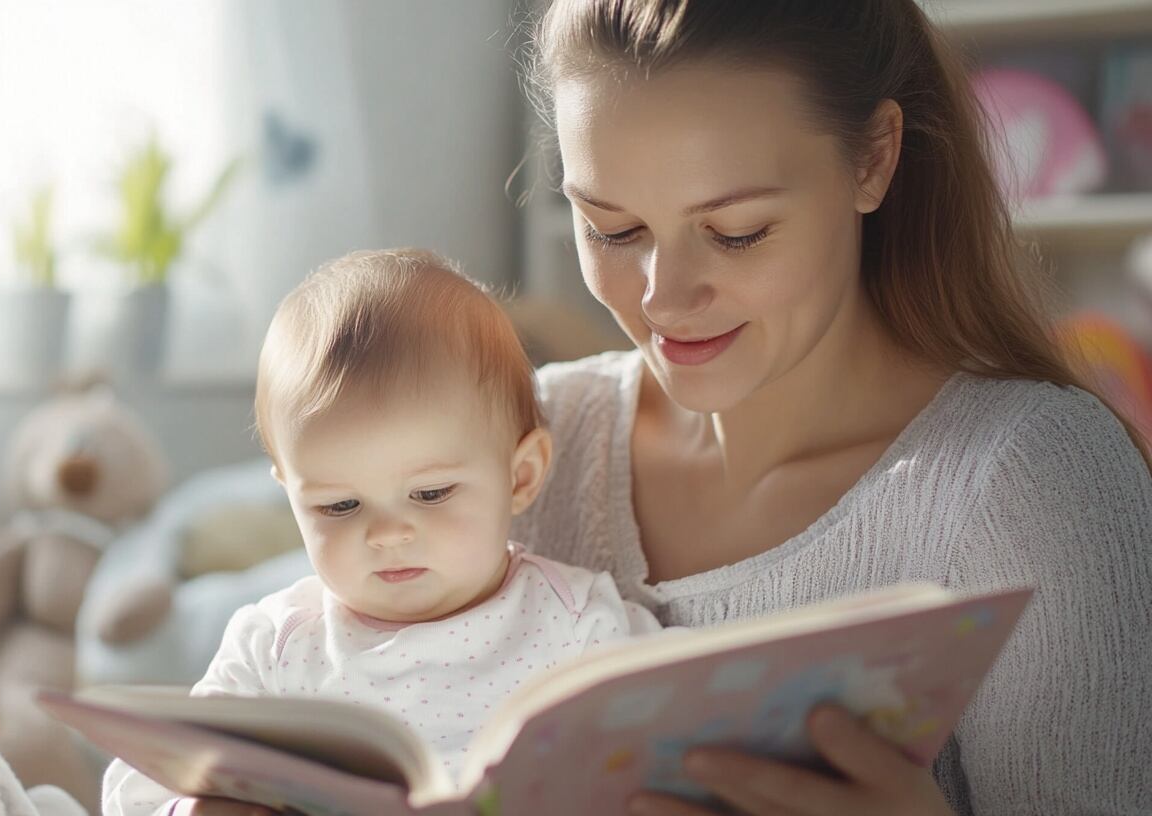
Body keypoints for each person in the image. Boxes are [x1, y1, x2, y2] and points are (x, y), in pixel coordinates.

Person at [512, 1, 1152, 814]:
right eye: (612, 228)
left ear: (873, 160)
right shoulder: (526, 450)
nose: (663, 298)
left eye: (737, 231)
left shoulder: (1033, 484)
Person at [101, 249, 662, 816]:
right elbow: (141, 788)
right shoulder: (276, 646)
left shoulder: (581, 622)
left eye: (431, 494)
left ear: (520, 476)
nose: (388, 534)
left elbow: (695, 734)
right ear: (291, 496)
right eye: (339, 505)